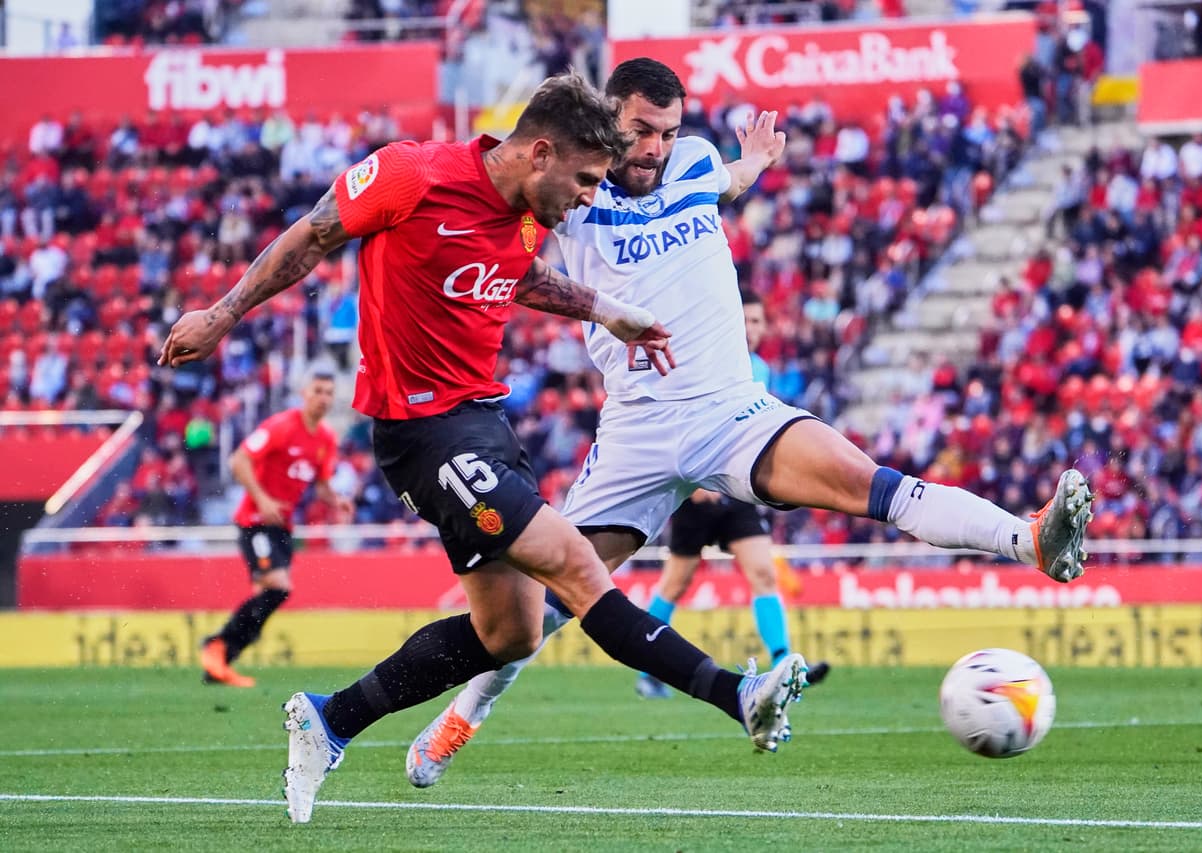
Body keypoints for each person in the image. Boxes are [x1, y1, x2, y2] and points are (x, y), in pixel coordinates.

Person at [405, 58, 1094, 789]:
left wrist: (755, 163)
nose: (655, 148)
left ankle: (1028, 539)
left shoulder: (694, 160)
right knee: (543, 603)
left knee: (875, 484)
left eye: (668, 132)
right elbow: (509, 263)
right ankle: (462, 718)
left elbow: (723, 181)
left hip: (731, 411)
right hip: (635, 430)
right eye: (641, 130)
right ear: (608, 119)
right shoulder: (575, 185)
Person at [159, 71, 808, 826]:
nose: (589, 199)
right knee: (575, 565)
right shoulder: (411, 175)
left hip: (484, 423)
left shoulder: (527, 211)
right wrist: (222, 314)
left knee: (511, 631)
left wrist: (610, 311)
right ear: (541, 153)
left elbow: (522, 276)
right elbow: (313, 233)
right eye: (585, 180)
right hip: (421, 431)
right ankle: (737, 693)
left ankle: (329, 718)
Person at [635, 290, 830, 699]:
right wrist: (694, 482)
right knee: (676, 582)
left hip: (736, 491)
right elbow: (683, 421)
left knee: (763, 572)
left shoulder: (760, 370)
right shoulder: (703, 362)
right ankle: (647, 669)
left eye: (757, 321)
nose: (751, 329)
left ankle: (784, 666)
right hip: (696, 492)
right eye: (744, 320)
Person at [199, 367, 350, 688]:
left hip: (282, 528)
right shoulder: (282, 426)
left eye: (328, 393)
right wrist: (262, 499)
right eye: (318, 391)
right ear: (303, 394)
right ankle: (217, 644)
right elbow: (238, 460)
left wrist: (338, 500)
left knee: (268, 597)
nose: (323, 398)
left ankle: (219, 664)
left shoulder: (325, 439)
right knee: (278, 587)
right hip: (256, 522)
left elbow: (321, 485)